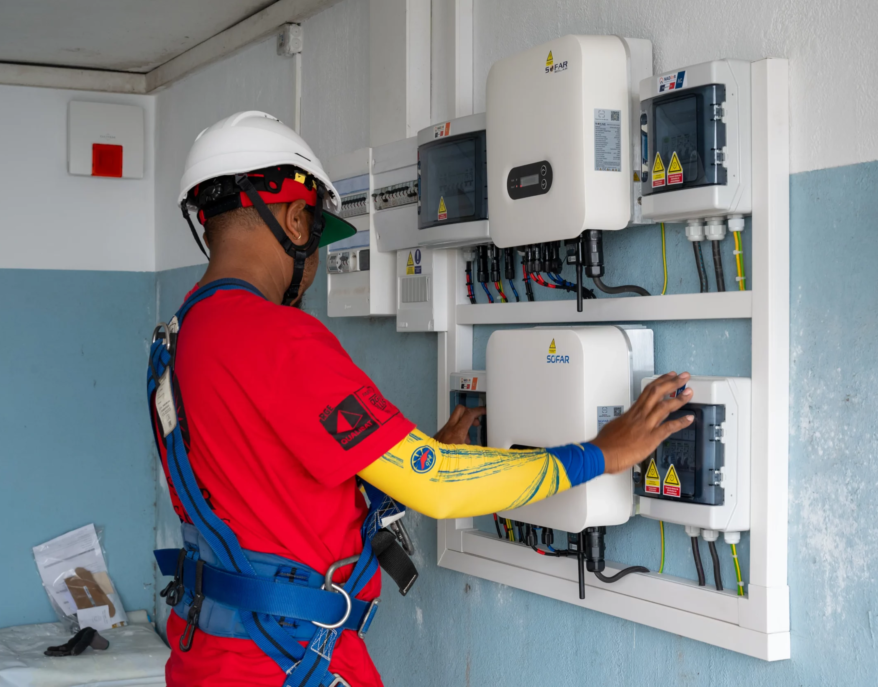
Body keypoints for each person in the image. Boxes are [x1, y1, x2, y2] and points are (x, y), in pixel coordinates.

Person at [149, 111, 694, 687]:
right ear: (296, 221)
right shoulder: (278, 337)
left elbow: (259, 488)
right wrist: (601, 454)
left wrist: (412, 454)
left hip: (210, 657)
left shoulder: (179, 338)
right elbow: (437, 485)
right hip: (286, 666)